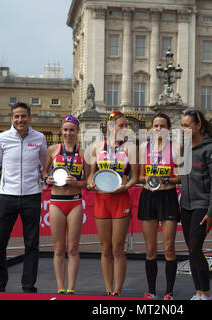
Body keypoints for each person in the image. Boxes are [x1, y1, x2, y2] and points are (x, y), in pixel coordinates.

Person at [0, 102, 47, 300]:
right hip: (6, 196)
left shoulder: (40, 138)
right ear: (11, 118)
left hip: (31, 196)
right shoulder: (2, 138)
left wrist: (47, 178)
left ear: (30, 117)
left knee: (32, 244)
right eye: (16, 116)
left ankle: (28, 289)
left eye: (23, 116)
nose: (20, 120)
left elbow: (45, 164)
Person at [86, 111, 139, 296]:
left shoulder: (130, 148)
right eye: (121, 125)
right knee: (105, 248)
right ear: (110, 127)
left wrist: (126, 187)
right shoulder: (97, 147)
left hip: (120, 199)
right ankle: (108, 289)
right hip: (101, 200)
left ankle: (118, 289)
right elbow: (90, 175)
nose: (125, 129)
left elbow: (135, 177)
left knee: (118, 248)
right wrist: (90, 184)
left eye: (126, 125)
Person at [41, 116, 89, 295]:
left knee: (73, 248)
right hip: (56, 202)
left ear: (77, 131)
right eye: (66, 130)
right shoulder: (53, 150)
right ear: (61, 131)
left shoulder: (84, 154)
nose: (69, 133)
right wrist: (47, 178)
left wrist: (78, 183)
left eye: (72, 130)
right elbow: (44, 171)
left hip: (75, 201)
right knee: (59, 248)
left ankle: (71, 288)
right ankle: (60, 287)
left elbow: (89, 181)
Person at [137, 113, 181, 301]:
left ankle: (169, 291)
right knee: (150, 249)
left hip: (168, 195)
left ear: (168, 128)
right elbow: (138, 177)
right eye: (155, 125)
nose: (158, 129)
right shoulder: (144, 148)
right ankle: (151, 291)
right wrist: (146, 179)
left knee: (169, 246)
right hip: (149, 196)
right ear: (151, 128)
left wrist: (167, 179)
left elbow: (181, 177)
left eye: (162, 125)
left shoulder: (176, 148)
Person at [180, 109, 212, 300]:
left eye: (187, 126)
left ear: (198, 126)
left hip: (202, 205)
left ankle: (206, 293)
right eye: (181, 125)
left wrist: (211, 212)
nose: (183, 129)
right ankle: (199, 292)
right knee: (191, 251)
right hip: (186, 206)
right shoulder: (185, 147)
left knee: (195, 249)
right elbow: (184, 177)